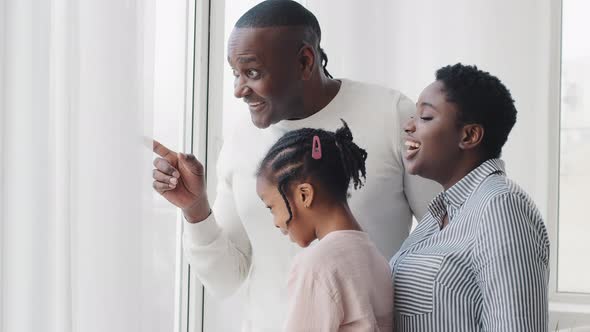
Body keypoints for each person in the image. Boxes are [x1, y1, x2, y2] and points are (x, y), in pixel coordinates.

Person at [152, 0, 439, 330]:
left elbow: (445, 239)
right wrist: (195, 208)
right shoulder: (240, 142)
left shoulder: (391, 115)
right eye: (235, 73)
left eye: (253, 72)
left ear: (305, 61)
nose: (238, 90)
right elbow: (226, 280)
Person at [389, 63, 550, 331]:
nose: (408, 126)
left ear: (469, 135)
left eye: (425, 117)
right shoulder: (437, 216)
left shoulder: (501, 206)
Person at [256, 120, 393, 331]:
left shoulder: (317, 265)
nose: (275, 222)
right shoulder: (378, 260)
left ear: (304, 195)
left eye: (271, 207)